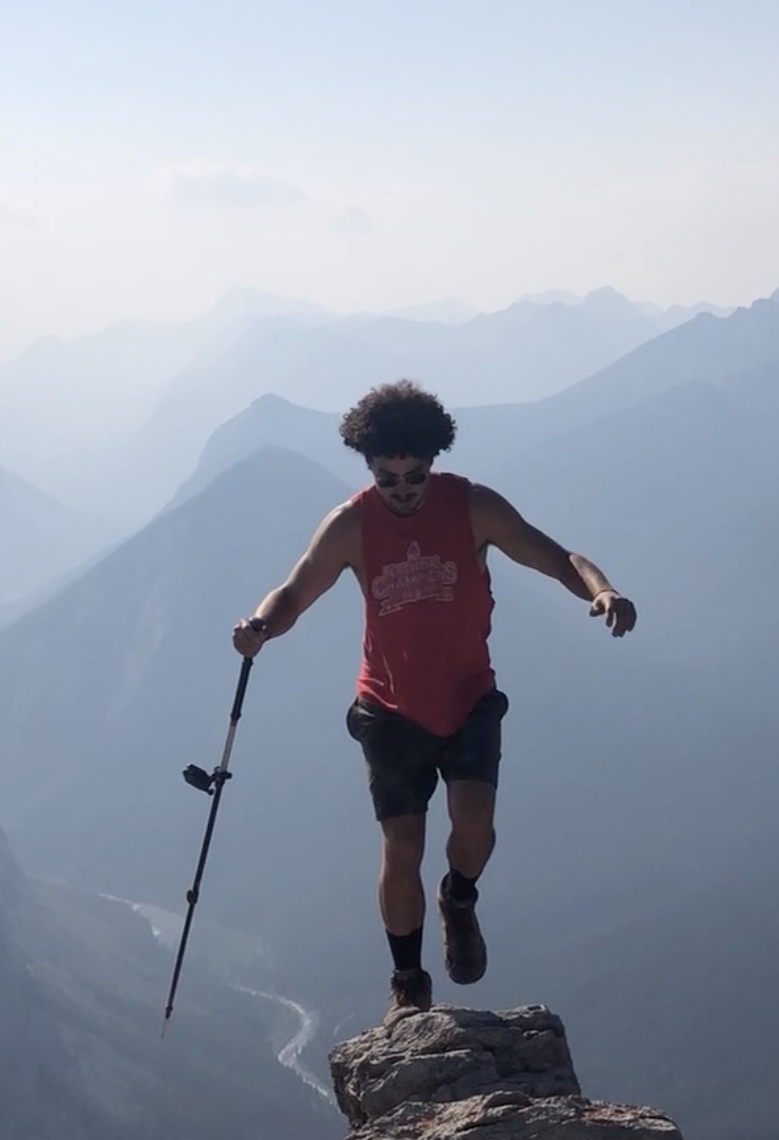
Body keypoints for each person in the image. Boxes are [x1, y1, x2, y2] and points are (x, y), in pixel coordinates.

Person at [232, 380, 637, 1017]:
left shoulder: (472, 506)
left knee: (476, 825)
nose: (403, 490)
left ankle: (459, 897)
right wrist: (259, 627)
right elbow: (293, 591)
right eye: (388, 478)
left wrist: (602, 589)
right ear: (369, 468)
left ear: (432, 462)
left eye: (414, 475)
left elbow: (558, 556)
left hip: (469, 695)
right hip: (388, 708)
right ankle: (408, 984)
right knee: (403, 844)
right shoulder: (349, 525)